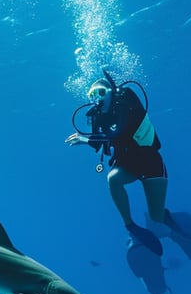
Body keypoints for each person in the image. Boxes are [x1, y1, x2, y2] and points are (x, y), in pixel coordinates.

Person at [65, 70, 179, 256]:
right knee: (113, 179)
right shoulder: (97, 114)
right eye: (92, 95)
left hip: (150, 161)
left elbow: (121, 133)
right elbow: (96, 143)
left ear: (111, 92)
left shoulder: (126, 100)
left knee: (156, 217)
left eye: (101, 92)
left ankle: (166, 218)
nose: (96, 98)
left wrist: (86, 140)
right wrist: (83, 139)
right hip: (128, 164)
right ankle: (131, 226)